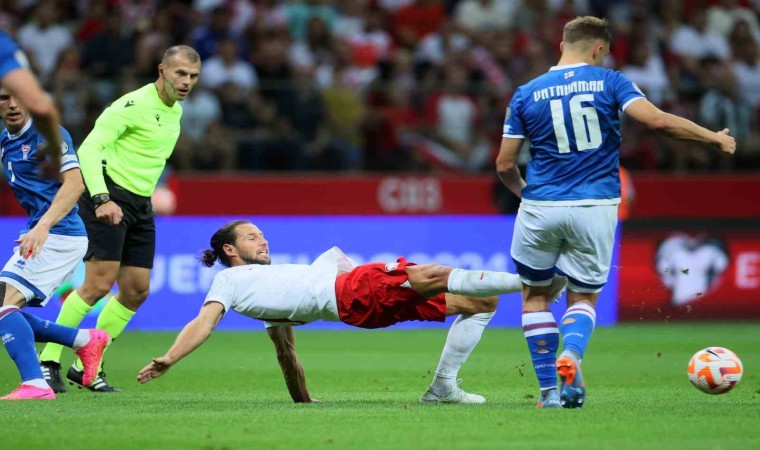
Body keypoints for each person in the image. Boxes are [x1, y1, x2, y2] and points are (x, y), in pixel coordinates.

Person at [497, 16, 736, 409]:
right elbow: (657, 121)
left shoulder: (526, 93)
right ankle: (571, 355)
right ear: (599, 50)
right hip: (595, 205)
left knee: (535, 296)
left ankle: (548, 393)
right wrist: (713, 138)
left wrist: (526, 196)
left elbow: (505, 165)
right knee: (583, 297)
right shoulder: (612, 82)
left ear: (562, 45)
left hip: (541, 205)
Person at [136, 220, 564, 403]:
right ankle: (537, 281)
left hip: (358, 303)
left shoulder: (270, 289)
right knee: (433, 273)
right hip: (352, 293)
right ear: (230, 251)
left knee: (480, 303)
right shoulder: (228, 282)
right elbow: (202, 322)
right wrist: (171, 357)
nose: (262, 241)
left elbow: (286, 356)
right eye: (252, 238)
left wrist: (303, 401)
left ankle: (442, 387)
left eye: (263, 235)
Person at [38, 45, 202, 393]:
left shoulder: (175, 111)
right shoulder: (132, 106)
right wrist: (101, 198)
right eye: (180, 74)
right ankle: (48, 360)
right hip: (109, 195)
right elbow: (89, 149)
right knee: (98, 284)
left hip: (140, 204)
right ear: (162, 70)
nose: (186, 82)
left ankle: (86, 365)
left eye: (193, 76)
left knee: (136, 290)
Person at [0, 87, 110, 400]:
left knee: (5, 300)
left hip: (59, 233)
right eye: (3, 98)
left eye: (16, 96)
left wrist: (43, 227)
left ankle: (35, 384)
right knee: (6, 306)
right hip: (42, 230)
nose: (12, 104)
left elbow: (75, 183)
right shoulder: (6, 142)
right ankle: (84, 340)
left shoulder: (48, 135)